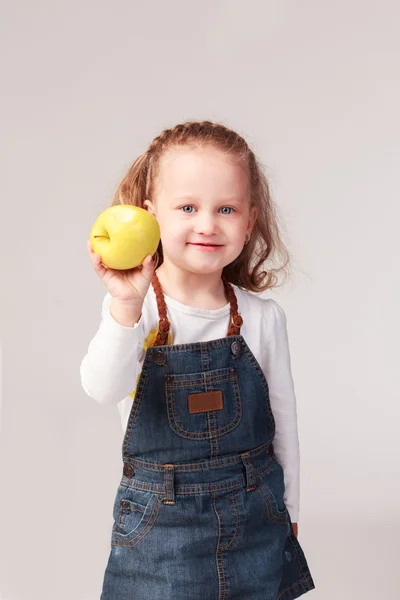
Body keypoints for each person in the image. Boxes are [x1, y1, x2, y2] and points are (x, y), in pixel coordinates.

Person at [80, 120, 315, 599]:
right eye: (187, 207)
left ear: (249, 222)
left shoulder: (262, 317)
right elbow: (102, 387)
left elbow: (283, 424)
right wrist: (125, 306)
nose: (207, 224)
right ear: (149, 216)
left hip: (256, 518)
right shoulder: (135, 308)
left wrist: (289, 510)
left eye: (226, 209)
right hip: (161, 528)